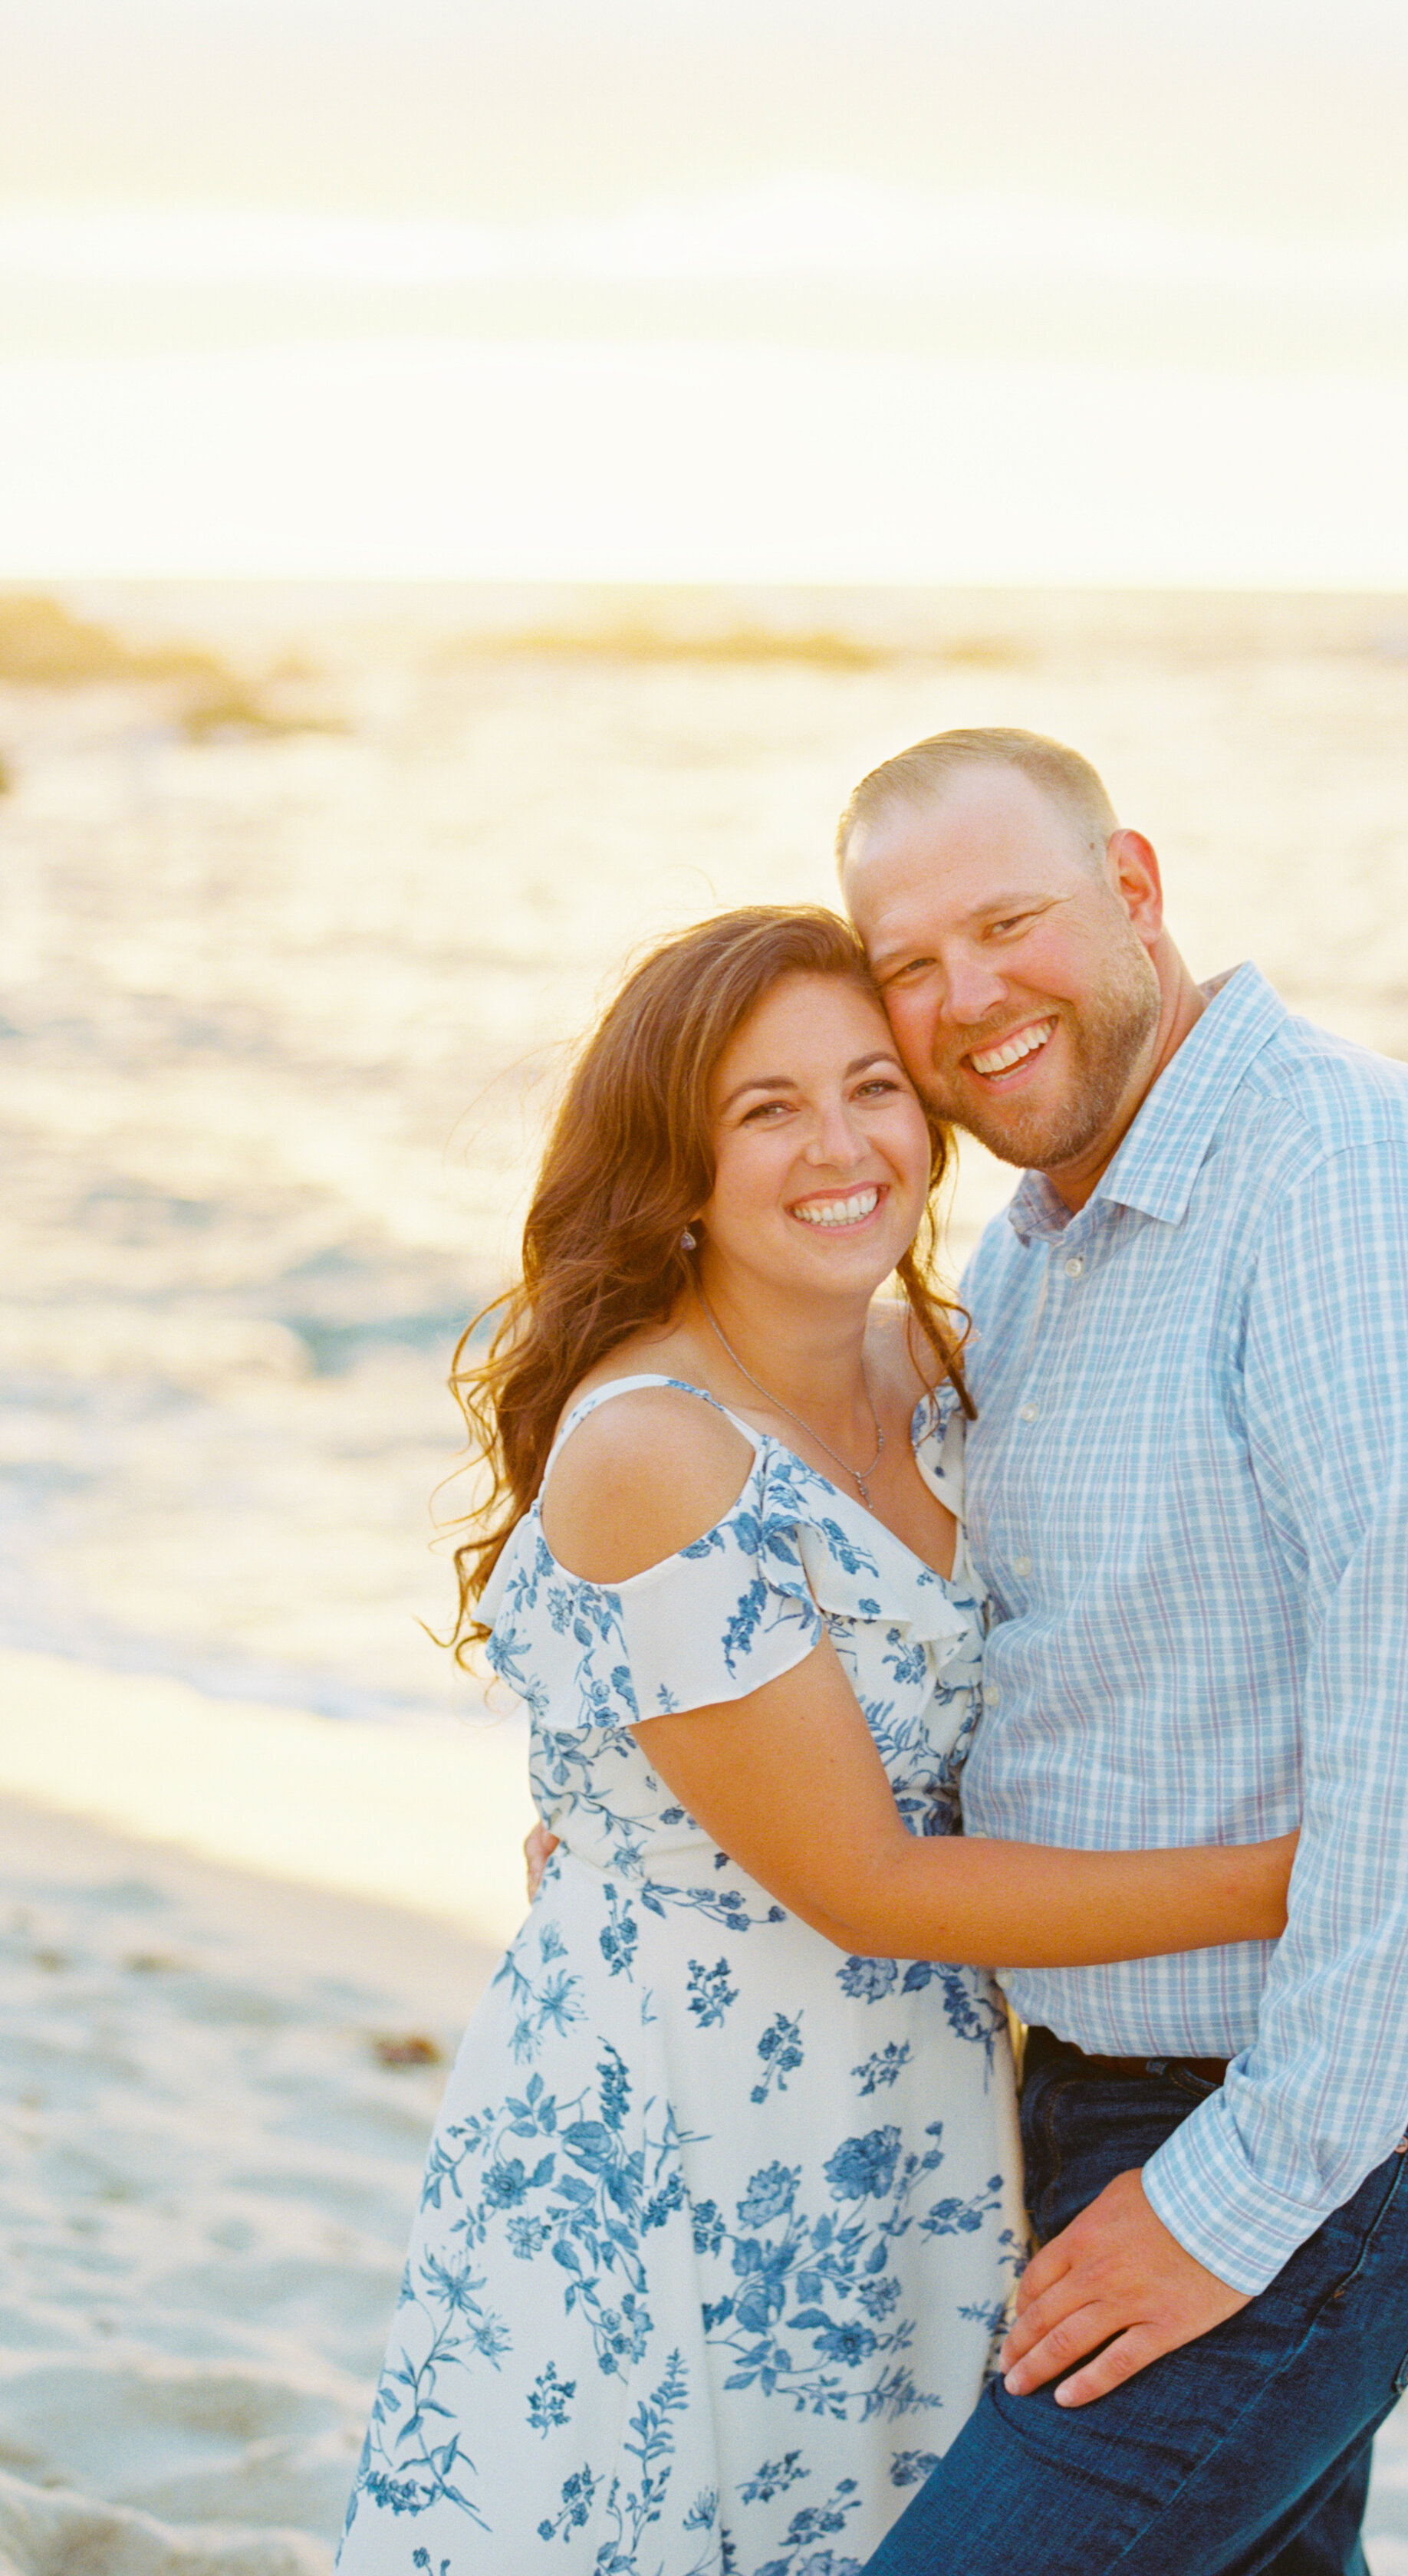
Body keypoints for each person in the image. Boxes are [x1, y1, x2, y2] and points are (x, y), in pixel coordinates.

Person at [334, 907, 1296, 2576]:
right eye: (767, 1110)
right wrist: (1308, 1878)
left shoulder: (934, 1364)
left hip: (907, 2097)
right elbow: (863, 1881)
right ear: (677, 1168)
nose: (842, 1146)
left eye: (872, 1087)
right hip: (681, 2111)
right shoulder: (657, 1448)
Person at [827, 729, 1408, 2576]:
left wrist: (1238, 2196)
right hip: (1128, 2081)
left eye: (1009, 918)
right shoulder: (1054, 1232)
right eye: (906, 961)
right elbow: (1054, 1658)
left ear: (1132, 890)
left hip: (1353, 2116)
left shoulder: (1358, 1181)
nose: (965, 997)